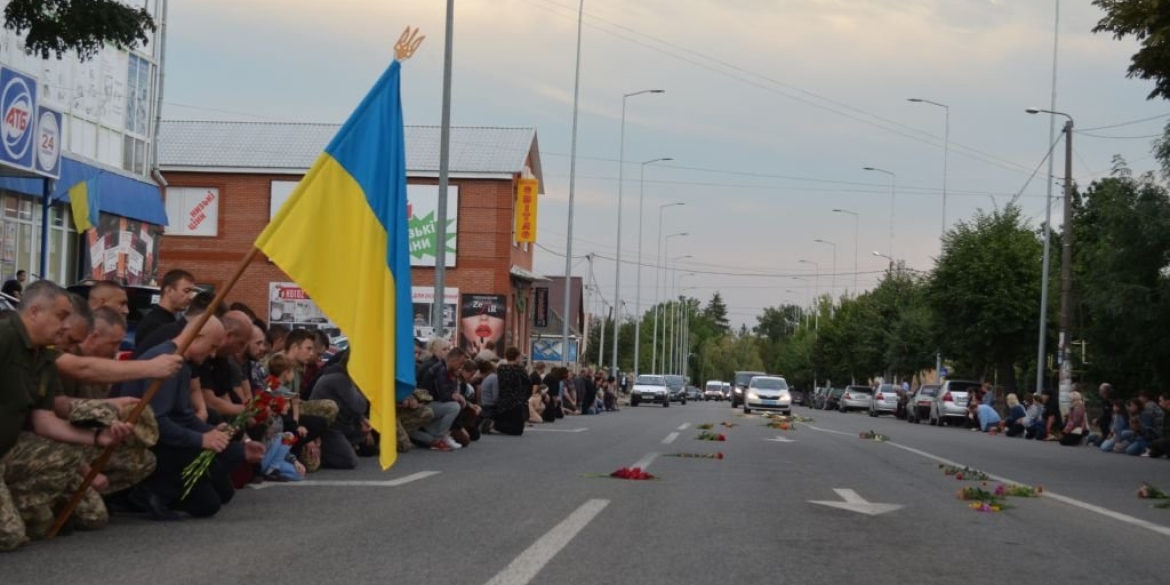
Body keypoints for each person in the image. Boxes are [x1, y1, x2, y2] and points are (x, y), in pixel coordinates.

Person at [0, 281, 135, 550]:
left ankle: (15, 502)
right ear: (35, 311)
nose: (64, 326)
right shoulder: (5, 336)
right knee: (10, 536)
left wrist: (97, 438)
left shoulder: (45, 355)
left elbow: (44, 420)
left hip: (9, 449)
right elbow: (82, 371)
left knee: (38, 526)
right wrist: (152, 367)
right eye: (60, 317)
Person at [113, 316, 245, 520]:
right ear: (197, 336)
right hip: (147, 442)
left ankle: (167, 489)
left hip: (169, 438)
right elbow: (159, 423)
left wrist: (208, 431)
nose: (212, 354)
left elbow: (184, 414)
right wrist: (201, 439)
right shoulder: (165, 363)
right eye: (211, 347)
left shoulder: (181, 363)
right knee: (208, 505)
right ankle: (150, 492)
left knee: (226, 481)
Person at [134, 269, 197, 348]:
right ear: (169, 290)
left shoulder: (168, 319)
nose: (190, 297)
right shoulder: (154, 324)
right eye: (186, 291)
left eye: (192, 292)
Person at [493, 347, 531, 435]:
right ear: (517, 357)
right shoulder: (520, 369)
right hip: (516, 403)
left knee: (513, 428)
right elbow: (528, 384)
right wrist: (525, 398)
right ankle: (494, 425)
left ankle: (496, 425)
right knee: (517, 430)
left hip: (502, 403)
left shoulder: (500, 369)